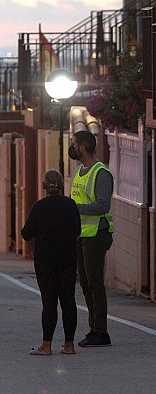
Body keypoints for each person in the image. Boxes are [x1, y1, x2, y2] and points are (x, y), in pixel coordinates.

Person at [21, 170, 81, 355]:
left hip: (45, 260)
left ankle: (46, 346)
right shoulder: (71, 205)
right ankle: (69, 345)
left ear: (43, 186)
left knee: (49, 303)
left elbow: (26, 233)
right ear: (62, 185)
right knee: (68, 300)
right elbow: (78, 230)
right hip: (68, 258)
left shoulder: (40, 207)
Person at [69, 130, 114, 347]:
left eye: (74, 144)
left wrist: (75, 209)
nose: (72, 147)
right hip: (82, 235)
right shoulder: (79, 171)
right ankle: (93, 328)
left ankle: (101, 332)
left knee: (95, 284)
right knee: (86, 284)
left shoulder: (101, 173)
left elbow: (103, 205)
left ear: (83, 146)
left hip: (96, 234)